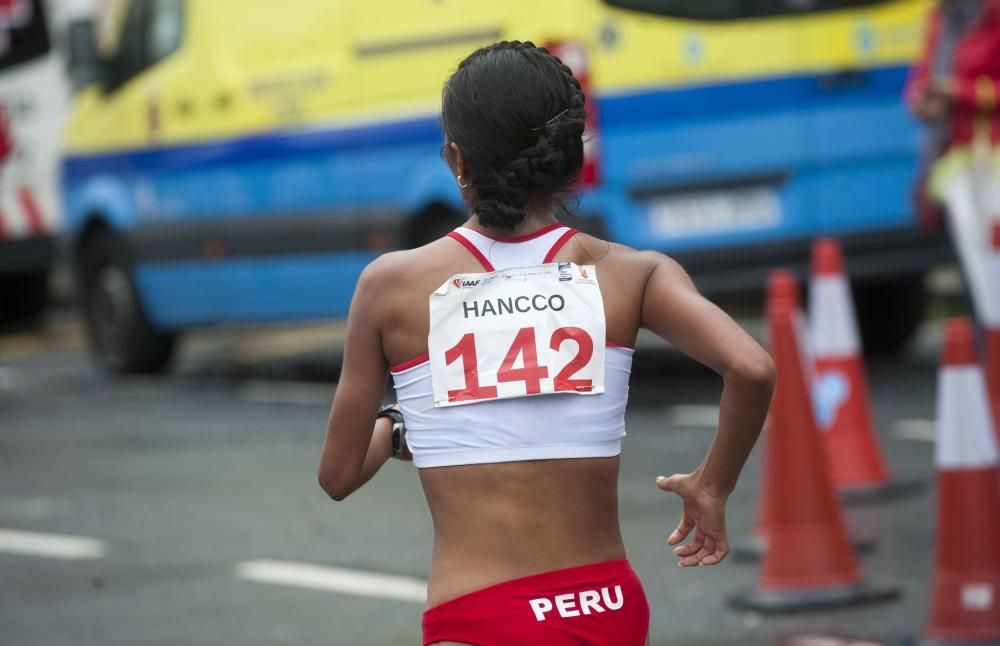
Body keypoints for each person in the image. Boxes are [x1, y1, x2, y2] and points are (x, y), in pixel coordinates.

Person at [318, 41, 775, 645]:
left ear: (458, 160)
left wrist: (403, 427)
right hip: (607, 607)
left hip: (479, 616)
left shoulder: (392, 285)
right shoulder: (632, 274)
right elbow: (752, 368)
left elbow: (339, 475)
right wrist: (711, 487)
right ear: (570, 160)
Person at [906, 0, 1000, 322]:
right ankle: (989, 344)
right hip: (958, 159)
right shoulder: (943, 18)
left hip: (994, 155)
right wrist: (922, 100)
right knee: (975, 261)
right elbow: (921, 77)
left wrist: (959, 93)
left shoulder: (993, 16)